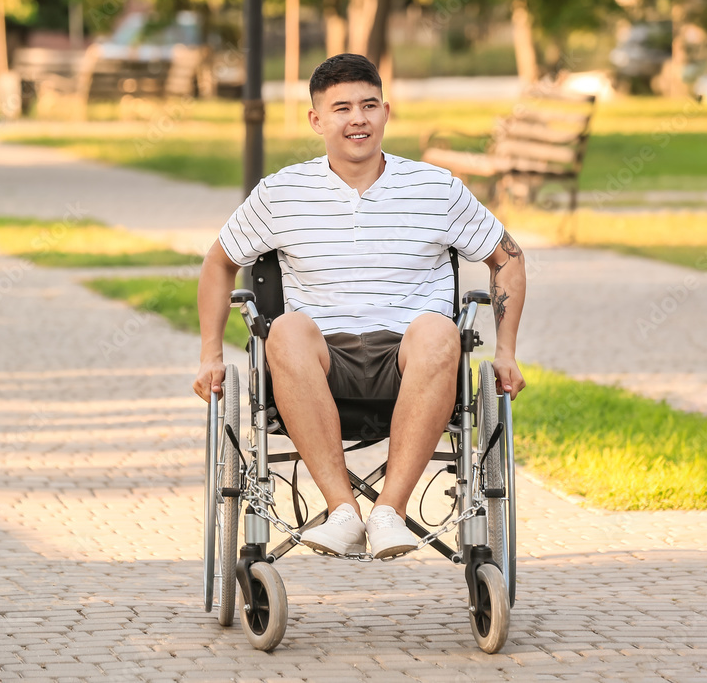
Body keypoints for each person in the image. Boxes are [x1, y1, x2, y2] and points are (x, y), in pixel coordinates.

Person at [193, 53, 526, 559]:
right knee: (283, 330)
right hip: (321, 361)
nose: (358, 119)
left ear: (386, 113)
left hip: (412, 359)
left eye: (369, 106)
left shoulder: (435, 188)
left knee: (441, 330)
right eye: (342, 107)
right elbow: (218, 263)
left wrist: (506, 351)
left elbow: (508, 259)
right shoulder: (282, 192)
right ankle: (343, 511)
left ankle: (389, 512)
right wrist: (209, 355)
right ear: (317, 120)